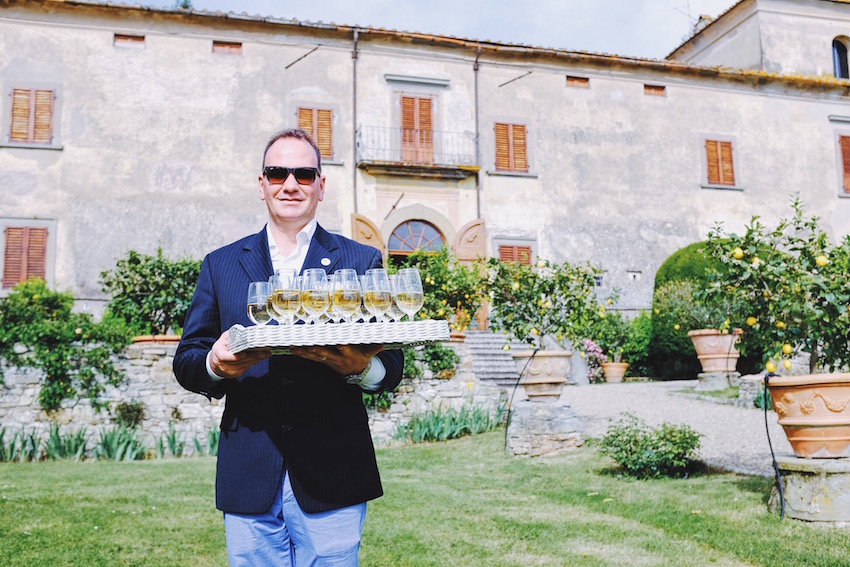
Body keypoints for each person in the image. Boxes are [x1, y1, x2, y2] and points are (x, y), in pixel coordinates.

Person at [173, 128, 403, 566]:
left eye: (303, 173)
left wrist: (359, 367)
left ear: (320, 185)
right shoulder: (221, 264)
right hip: (249, 473)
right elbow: (188, 359)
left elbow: (391, 364)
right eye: (278, 173)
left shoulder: (361, 260)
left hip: (333, 470)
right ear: (262, 185)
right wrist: (217, 365)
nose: (290, 184)